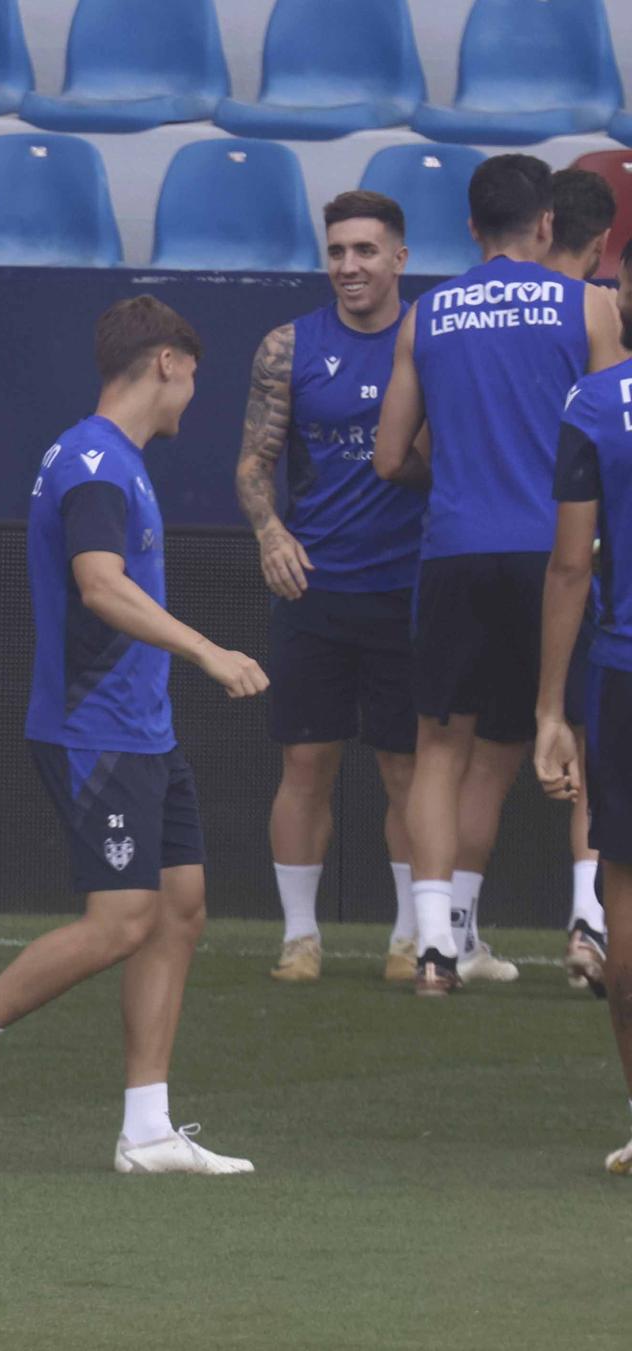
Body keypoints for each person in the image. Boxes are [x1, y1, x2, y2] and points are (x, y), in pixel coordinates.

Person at [0, 296, 265, 1175]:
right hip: (95, 732)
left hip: (141, 730)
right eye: (193, 376)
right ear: (168, 363)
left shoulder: (110, 458)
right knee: (121, 920)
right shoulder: (97, 462)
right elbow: (99, 586)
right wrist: (209, 650)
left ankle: (146, 1130)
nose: (193, 397)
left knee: (179, 909)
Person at [374, 154, 621, 995]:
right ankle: (589, 926)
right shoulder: (589, 306)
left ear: (471, 228)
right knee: (586, 737)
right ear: (548, 224)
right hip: (561, 554)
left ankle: (438, 947)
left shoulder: (425, 315)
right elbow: (610, 438)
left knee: (441, 748)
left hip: (452, 552)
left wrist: (457, 472)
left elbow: (387, 455)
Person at [234, 191, 423, 984]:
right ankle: (301, 936)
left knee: (407, 770)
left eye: (365, 251)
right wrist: (270, 531)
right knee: (306, 763)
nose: (349, 266)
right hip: (314, 589)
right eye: (337, 250)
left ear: (399, 258)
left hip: (409, 588)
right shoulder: (288, 346)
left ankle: (413, 935)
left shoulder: (433, 341)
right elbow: (252, 463)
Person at [535, 236, 632, 1171]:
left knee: (625, 897)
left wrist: (549, 709)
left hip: (625, 671)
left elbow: (571, 564)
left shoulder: (597, 404)